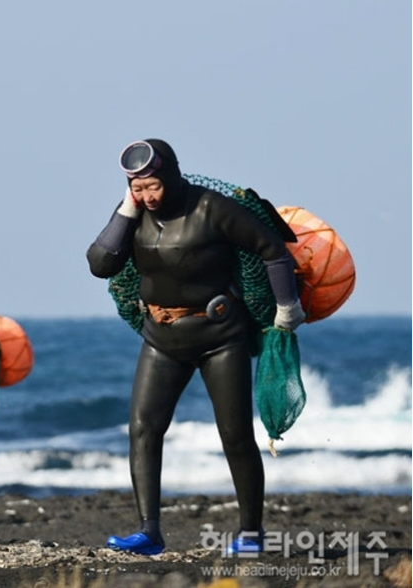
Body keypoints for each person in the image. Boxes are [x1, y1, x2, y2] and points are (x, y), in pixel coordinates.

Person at [86, 139, 305, 556]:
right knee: (143, 430)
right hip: (161, 338)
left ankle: (251, 534)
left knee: (236, 436)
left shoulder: (211, 208)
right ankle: (149, 532)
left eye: (154, 187)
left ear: (170, 175)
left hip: (219, 336)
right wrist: (126, 210)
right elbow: (101, 264)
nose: (148, 196)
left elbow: (271, 249)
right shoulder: (134, 215)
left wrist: (286, 306)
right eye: (138, 188)